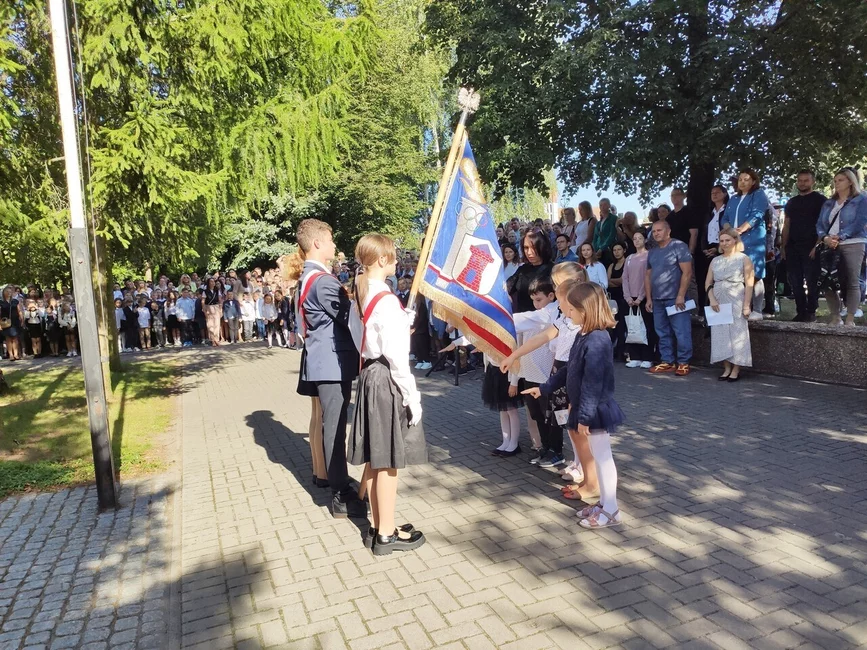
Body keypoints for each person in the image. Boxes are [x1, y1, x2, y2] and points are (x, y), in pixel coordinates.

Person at [348, 233, 426, 554]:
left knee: (378, 457)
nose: (396, 260)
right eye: (393, 255)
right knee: (388, 460)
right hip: (385, 378)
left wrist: (401, 322)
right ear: (382, 260)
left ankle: (381, 525)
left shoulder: (362, 294)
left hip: (370, 374)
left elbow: (361, 337)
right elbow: (398, 359)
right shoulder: (387, 299)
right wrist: (413, 398)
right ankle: (386, 533)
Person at [525, 282, 625, 529]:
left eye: (571, 309)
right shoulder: (583, 334)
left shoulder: (598, 339)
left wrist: (585, 417)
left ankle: (611, 509)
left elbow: (593, 382)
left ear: (586, 309)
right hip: (586, 408)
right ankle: (604, 503)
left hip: (594, 410)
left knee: (603, 458)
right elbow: (569, 369)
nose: (567, 314)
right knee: (599, 456)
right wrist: (544, 388)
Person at [296, 218, 365, 518]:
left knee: (331, 424)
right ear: (317, 243)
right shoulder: (322, 281)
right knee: (335, 428)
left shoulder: (309, 276)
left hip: (325, 361)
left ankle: (336, 479)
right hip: (331, 363)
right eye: (330, 239)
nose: (334, 245)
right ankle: (340, 493)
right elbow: (350, 317)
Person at [816, 167, 867, 326]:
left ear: (850, 182)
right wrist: (825, 238)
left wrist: (841, 236)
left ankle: (850, 318)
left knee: (852, 280)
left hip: (853, 243)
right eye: (835, 181)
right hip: (830, 245)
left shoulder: (861, 199)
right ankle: (835, 317)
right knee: (827, 281)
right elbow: (819, 224)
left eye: (841, 180)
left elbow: (860, 222)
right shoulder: (828, 203)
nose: (837, 183)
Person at [645, 220, 694, 376]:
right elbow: (648, 276)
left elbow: (687, 272)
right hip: (657, 299)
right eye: (654, 231)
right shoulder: (652, 251)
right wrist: (649, 298)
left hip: (675, 298)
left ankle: (684, 362)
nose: (656, 234)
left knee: (681, 331)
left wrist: (681, 295)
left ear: (668, 231)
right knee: (662, 332)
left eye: (659, 230)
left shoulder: (679, 246)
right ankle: (667, 361)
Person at [706, 227, 754, 381]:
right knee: (720, 333)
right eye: (721, 241)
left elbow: (749, 284)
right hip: (718, 298)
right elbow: (708, 282)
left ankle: (736, 368)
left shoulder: (743, 259)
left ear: (735, 240)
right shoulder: (715, 260)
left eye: (727, 240)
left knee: (737, 331)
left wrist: (746, 305)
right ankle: (726, 367)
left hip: (736, 297)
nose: (724, 243)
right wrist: (712, 299)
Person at [722, 169, 769, 319]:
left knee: (754, 274)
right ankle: (738, 307)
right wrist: (729, 230)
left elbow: (757, 214)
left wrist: (741, 229)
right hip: (734, 240)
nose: (742, 182)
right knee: (736, 273)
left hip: (752, 239)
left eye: (746, 179)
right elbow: (725, 218)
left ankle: (757, 310)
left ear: (753, 181)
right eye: (740, 179)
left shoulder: (758, 194)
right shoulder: (734, 198)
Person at [782, 170, 826, 322]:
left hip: (811, 245)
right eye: (800, 180)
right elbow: (786, 224)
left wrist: (817, 244)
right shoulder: (791, 202)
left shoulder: (821, 200)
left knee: (812, 280)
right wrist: (783, 246)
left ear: (813, 182)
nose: (802, 183)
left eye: (806, 180)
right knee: (795, 281)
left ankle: (811, 311)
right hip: (793, 246)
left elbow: (824, 224)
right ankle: (800, 311)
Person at [622, 230, 656, 368]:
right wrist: (627, 296)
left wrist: (641, 297)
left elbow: (648, 278)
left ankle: (648, 357)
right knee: (632, 326)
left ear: (645, 240)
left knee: (646, 327)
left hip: (644, 297)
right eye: (634, 238)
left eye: (639, 238)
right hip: (630, 298)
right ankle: (635, 356)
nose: (636, 241)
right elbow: (625, 278)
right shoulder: (629, 258)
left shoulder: (649, 256)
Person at [507, 231, 554, 314]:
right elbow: (506, 288)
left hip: (546, 318)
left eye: (534, 247)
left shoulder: (554, 270)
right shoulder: (522, 270)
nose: (529, 252)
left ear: (543, 246)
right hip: (522, 318)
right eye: (526, 248)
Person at [698, 185, 729, 308]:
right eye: (712, 193)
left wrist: (718, 248)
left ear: (724, 194)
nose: (714, 195)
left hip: (722, 247)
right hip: (708, 249)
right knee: (707, 279)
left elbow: (728, 231)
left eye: (717, 192)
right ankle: (707, 306)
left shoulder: (727, 210)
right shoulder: (709, 213)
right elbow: (704, 232)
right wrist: (704, 248)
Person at [607, 242, 628, 361]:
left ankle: (622, 351)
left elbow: (623, 280)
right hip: (613, 298)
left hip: (623, 297)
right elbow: (607, 281)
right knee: (614, 325)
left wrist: (613, 281)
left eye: (619, 249)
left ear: (624, 250)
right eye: (614, 250)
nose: (616, 252)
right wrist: (617, 281)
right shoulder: (612, 265)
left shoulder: (627, 263)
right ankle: (614, 351)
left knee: (623, 326)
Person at [0, 286, 23, 361]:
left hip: (15, 321)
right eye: (7, 292)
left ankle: (16, 354)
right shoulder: (1, 302)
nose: (9, 293)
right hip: (5, 322)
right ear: (4, 293)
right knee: (8, 339)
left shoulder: (15, 301)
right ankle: (11, 355)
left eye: (10, 292)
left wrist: (22, 319)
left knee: (15, 338)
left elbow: (19, 311)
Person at [592, 198, 618, 265]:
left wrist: (602, 248)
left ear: (609, 205)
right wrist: (594, 249)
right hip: (598, 249)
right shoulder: (598, 223)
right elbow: (595, 237)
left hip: (608, 248)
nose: (603, 207)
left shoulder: (613, 218)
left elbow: (612, 235)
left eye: (605, 205)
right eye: (601, 205)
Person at [203, 278, 222, 345]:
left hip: (216, 307)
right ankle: (212, 340)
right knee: (210, 324)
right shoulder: (205, 291)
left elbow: (220, 300)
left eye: (213, 281)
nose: (213, 283)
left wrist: (220, 309)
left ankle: (217, 339)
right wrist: (204, 311)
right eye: (211, 281)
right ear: (208, 283)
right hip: (208, 307)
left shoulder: (217, 291)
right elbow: (203, 302)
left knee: (217, 323)